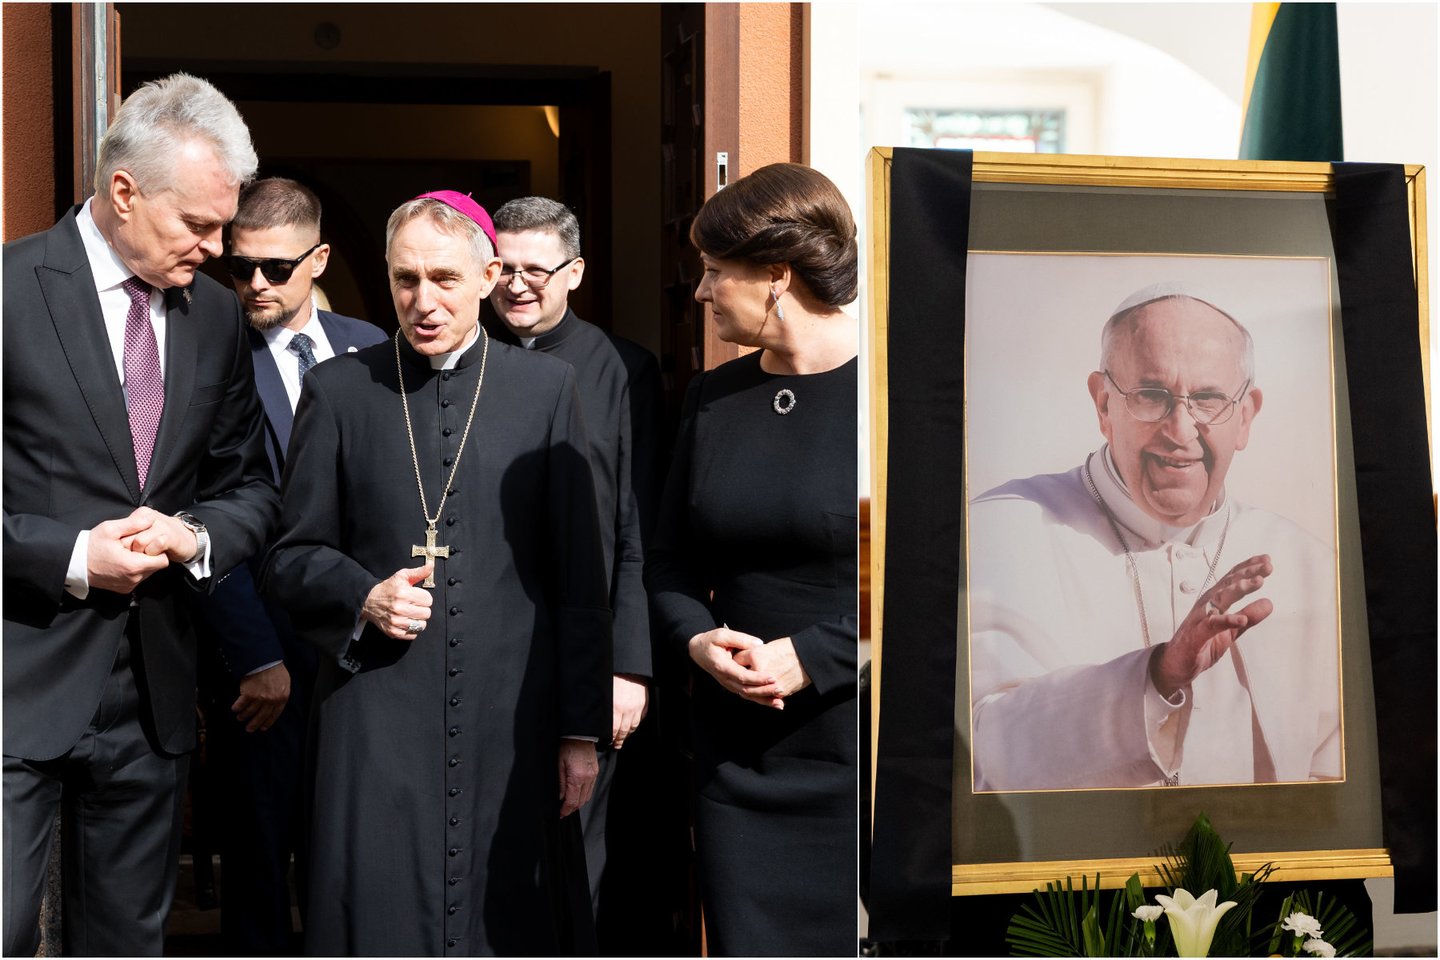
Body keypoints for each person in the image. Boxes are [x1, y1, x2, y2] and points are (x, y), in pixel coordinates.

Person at [260, 190, 611, 956]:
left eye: (445, 279)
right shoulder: (339, 390)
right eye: (406, 279)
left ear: (488, 277)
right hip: (375, 718)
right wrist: (363, 594)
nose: (424, 301)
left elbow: (580, 577)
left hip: (510, 716)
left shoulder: (546, 391)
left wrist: (580, 731)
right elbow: (290, 556)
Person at [2, 73, 280, 955]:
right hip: (14, 677)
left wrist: (193, 535)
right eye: (197, 224)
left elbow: (251, 488)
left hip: (151, 697)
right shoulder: (7, 290)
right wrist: (72, 557)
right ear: (123, 191)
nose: (215, 248)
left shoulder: (217, 320)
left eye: (222, 226)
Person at [968, 284, 1341, 792]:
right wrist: (1155, 679)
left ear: (1245, 417)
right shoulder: (1001, 532)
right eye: (1151, 395)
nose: (1180, 430)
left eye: (1208, 398)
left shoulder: (1311, 567)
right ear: (1103, 404)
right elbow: (980, 752)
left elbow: (1336, 784)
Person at [644, 162, 859, 957]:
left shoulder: (893, 399)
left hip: (861, 757)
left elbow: (945, 584)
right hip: (736, 761)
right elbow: (667, 562)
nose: (701, 291)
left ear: (776, 273)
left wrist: (818, 656)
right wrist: (697, 640)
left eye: (713, 270)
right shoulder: (713, 397)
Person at [190, 176, 386, 953]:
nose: (256, 285)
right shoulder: (205, 354)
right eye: (240, 267)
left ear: (320, 260)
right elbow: (202, 511)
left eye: (276, 268)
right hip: (263, 657)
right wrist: (252, 655)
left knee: (357, 854)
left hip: (365, 648)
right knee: (261, 861)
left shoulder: (373, 346)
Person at [485, 196, 664, 928]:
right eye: (503, 268)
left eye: (536, 270)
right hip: (495, 638)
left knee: (585, 854)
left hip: (589, 644)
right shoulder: (467, 357)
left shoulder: (623, 368)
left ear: (576, 272)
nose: (516, 285)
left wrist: (629, 666)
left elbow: (637, 526)